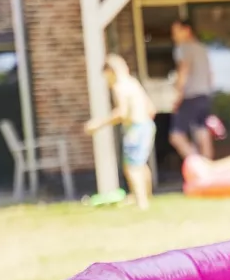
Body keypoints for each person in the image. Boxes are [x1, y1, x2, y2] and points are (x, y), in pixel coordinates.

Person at [84, 55, 156, 210]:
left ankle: (141, 202)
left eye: (106, 77)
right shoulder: (133, 83)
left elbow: (122, 113)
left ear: (110, 72)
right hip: (147, 125)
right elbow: (151, 108)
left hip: (135, 128)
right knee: (141, 163)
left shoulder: (119, 87)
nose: (107, 82)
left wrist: (98, 124)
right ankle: (146, 196)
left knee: (131, 166)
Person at [169, 19, 222, 160]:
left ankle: (196, 164)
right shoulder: (202, 48)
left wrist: (177, 96)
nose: (173, 36)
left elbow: (184, 71)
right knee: (202, 131)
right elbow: (210, 75)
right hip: (205, 96)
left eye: (176, 32)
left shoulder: (183, 48)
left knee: (176, 135)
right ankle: (208, 167)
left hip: (190, 96)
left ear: (187, 30)